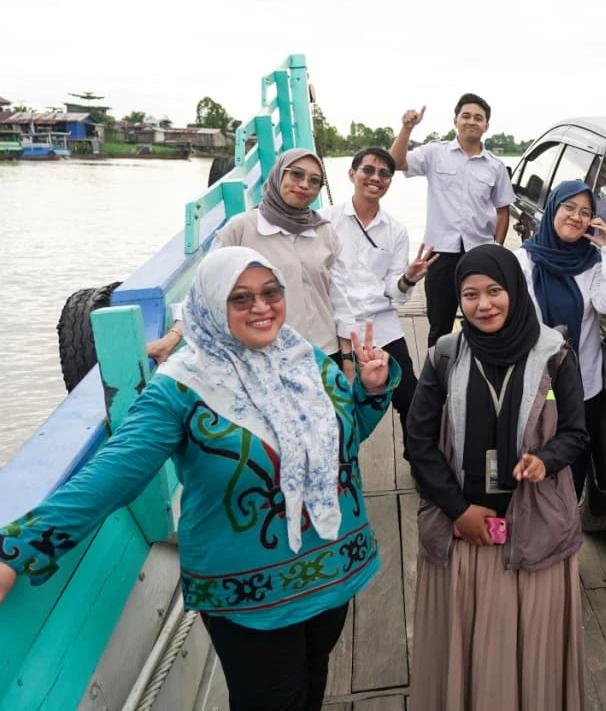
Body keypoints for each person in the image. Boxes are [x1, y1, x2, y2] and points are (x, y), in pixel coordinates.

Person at [0, 247, 399, 710]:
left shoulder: (304, 356)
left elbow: (341, 447)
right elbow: (111, 475)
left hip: (333, 572)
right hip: (253, 599)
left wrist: (370, 392)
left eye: (271, 292)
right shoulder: (180, 388)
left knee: (313, 678)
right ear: (210, 303)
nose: (262, 307)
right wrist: (17, 549)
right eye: (240, 298)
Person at [402, 243, 588, 711]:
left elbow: (576, 433)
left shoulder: (555, 354)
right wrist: (458, 510)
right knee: (469, 644)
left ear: (515, 291)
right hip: (464, 535)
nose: (483, 304)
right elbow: (418, 442)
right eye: (470, 295)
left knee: (529, 647)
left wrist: (546, 460)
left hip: (532, 532)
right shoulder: (445, 356)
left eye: (494, 291)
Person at [148, 149, 358, 370]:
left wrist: (347, 359)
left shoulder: (325, 232)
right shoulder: (241, 229)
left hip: (324, 355)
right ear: (279, 175)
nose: (305, 184)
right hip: (267, 358)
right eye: (296, 174)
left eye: (314, 181)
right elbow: (203, 290)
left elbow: (340, 299)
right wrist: (172, 338)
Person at [513, 180, 606, 493]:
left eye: (585, 212)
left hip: (582, 388)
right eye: (569, 207)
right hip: (533, 387)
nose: (576, 217)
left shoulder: (593, 263)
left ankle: (566, 519)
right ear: (553, 209)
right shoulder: (523, 261)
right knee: (529, 467)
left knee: (572, 473)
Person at [323, 146, 438, 424]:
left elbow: (394, 292)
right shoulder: (324, 221)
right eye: (369, 170)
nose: (376, 178)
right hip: (334, 328)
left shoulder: (396, 231)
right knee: (333, 404)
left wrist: (408, 278)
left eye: (385, 174)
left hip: (381, 326)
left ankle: (418, 451)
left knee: (412, 400)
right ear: (352, 174)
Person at [390, 94, 516, 348]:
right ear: (455, 121)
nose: (472, 121)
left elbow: (503, 210)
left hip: (480, 252)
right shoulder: (435, 153)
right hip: (440, 253)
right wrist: (407, 128)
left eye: (478, 118)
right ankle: (437, 370)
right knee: (439, 325)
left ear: (486, 126)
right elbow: (396, 162)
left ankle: (480, 366)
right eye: (466, 116)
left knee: (483, 320)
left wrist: (496, 248)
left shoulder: (495, 166)